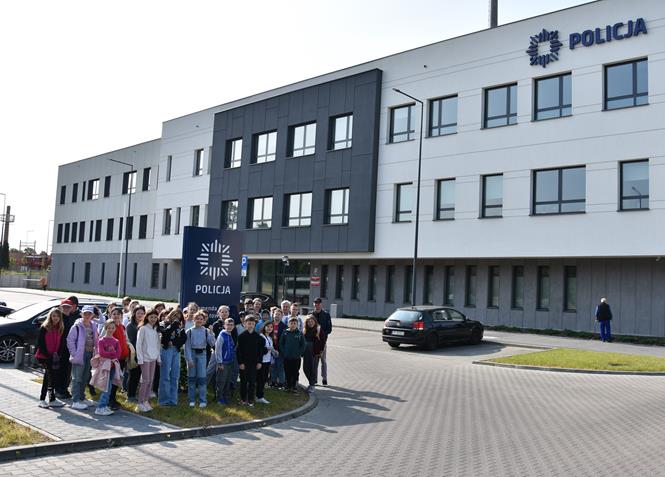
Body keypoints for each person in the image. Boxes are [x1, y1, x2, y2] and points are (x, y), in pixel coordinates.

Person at [67, 305, 98, 410]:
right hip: (79, 355)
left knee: (85, 377)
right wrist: (74, 353)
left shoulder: (93, 325)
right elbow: (70, 340)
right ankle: (75, 400)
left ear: (92, 315)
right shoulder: (76, 326)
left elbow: (96, 339)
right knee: (77, 378)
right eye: (85, 313)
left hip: (90, 354)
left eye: (89, 313)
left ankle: (81, 397)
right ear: (81, 314)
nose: (87, 315)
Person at [35, 308, 66, 408]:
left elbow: (61, 343)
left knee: (52, 377)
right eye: (54, 316)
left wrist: (58, 354)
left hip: (54, 357)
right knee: (48, 377)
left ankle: (52, 399)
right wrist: (47, 355)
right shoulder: (44, 327)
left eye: (58, 316)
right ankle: (42, 399)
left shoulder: (60, 328)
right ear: (50, 317)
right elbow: (40, 343)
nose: (56, 318)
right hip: (44, 356)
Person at [185, 310, 215, 407]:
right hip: (192, 354)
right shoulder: (189, 331)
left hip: (202, 354)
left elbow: (212, 343)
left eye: (201, 319)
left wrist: (211, 333)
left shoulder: (206, 331)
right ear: (193, 320)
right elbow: (187, 347)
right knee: (192, 378)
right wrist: (189, 359)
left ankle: (203, 400)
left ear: (204, 321)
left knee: (202, 378)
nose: (199, 320)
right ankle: (192, 399)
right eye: (197, 319)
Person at [91, 320, 122, 416]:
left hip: (113, 367)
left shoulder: (116, 341)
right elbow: (102, 353)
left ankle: (104, 405)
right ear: (105, 328)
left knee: (110, 386)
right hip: (105, 367)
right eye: (109, 328)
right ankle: (100, 407)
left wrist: (111, 354)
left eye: (113, 328)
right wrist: (112, 354)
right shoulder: (101, 340)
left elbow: (118, 354)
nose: (111, 330)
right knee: (106, 386)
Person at [158, 308, 187, 406]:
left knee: (175, 376)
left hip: (176, 351)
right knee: (165, 375)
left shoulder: (181, 326)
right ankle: (164, 401)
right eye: (174, 315)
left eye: (179, 316)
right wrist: (173, 325)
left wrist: (173, 342)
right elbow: (164, 335)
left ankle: (173, 400)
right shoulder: (163, 323)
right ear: (170, 315)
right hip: (166, 351)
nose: (176, 318)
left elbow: (183, 339)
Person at [236, 315, 265, 406]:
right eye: (249, 323)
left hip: (254, 363)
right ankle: (243, 399)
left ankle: (251, 400)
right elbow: (239, 351)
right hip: (244, 363)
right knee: (243, 382)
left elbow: (260, 351)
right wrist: (240, 362)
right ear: (245, 324)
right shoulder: (241, 336)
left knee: (252, 382)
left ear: (255, 325)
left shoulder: (258, 337)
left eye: (252, 324)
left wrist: (259, 362)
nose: (250, 325)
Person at [136, 307, 161, 412]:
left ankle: (146, 401)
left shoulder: (155, 330)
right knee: (145, 380)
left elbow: (157, 345)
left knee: (150, 380)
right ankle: (140, 402)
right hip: (145, 359)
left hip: (153, 358)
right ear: (147, 317)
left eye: (155, 317)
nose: (153, 319)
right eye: (151, 317)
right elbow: (138, 344)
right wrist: (140, 358)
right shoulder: (143, 329)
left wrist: (158, 358)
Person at [55, 297, 78, 398]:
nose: (66, 309)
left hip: (69, 349)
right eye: (64, 307)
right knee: (60, 370)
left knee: (67, 371)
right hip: (60, 349)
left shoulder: (71, 318)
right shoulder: (58, 319)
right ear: (60, 308)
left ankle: (64, 389)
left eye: (68, 307)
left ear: (71, 308)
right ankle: (58, 390)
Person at [108, 308, 129, 410]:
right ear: (111, 315)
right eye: (114, 314)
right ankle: (109, 400)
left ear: (121, 316)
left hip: (122, 357)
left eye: (118, 314)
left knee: (117, 379)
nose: (116, 316)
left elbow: (125, 340)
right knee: (112, 379)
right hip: (114, 358)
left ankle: (113, 398)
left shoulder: (122, 326)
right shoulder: (110, 326)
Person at [279, 317, 305, 393]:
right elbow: (281, 343)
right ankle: (288, 386)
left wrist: (299, 353)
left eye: (294, 323)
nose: (293, 325)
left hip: (296, 357)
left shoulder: (299, 333)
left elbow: (303, 345)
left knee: (295, 372)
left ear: (297, 325)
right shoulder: (285, 332)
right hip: (287, 357)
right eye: (291, 323)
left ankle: (294, 386)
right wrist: (284, 352)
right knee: (287, 371)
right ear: (288, 324)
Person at [214, 318, 236, 405]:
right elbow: (217, 350)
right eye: (228, 325)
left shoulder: (230, 335)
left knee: (227, 381)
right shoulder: (222, 335)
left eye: (231, 325)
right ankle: (219, 398)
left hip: (230, 362)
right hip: (223, 363)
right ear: (224, 325)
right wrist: (220, 362)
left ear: (233, 326)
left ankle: (226, 397)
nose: (229, 326)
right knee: (221, 381)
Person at [125, 305, 145, 403]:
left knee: (138, 375)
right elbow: (132, 341)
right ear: (134, 314)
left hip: (143, 354)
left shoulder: (144, 325)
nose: (140, 315)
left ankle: (134, 394)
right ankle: (130, 395)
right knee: (133, 375)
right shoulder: (130, 325)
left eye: (142, 313)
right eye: (138, 313)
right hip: (133, 353)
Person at [303, 315, 327, 392]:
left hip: (314, 352)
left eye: (312, 321)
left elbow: (323, 341)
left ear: (315, 322)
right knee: (305, 368)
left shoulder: (318, 329)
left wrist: (320, 351)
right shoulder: (305, 330)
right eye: (308, 322)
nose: (310, 323)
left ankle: (312, 385)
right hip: (306, 352)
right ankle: (311, 383)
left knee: (312, 369)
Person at [311, 297, 332, 386]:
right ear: (313, 304)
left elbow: (329, 329)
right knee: (315, 361)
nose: (317, 305)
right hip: (314, 342)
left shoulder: (326, 315)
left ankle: (324, 379)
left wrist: (322, 335)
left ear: (321, 304)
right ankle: (315, 379)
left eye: (318, 303)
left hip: (323, 341)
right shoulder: (311, 314)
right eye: (315, 303)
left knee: (323, 360)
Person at [256, 322, 276, 404]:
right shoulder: (261, 336)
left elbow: (271, 348)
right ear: (264, 327)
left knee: (264, 379)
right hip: (262, 361)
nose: (269, 328)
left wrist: (274, 351)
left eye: (271, 327)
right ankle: (259, 397)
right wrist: (267, 349)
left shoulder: (270, 337)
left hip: (268, 361)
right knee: (260, 379)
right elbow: (259, 350)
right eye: (267, 326)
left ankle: (259, 396)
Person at [269, 308, 286, 388]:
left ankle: (281, 383)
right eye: (276, 314)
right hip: (271, 350)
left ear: (282, 316)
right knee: (272, 367)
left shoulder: (284, 326)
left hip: (280, 350)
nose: (277, 316)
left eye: (279, 314)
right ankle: (273, 382)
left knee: (280, 367)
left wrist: (281, 350)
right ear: (273, 315)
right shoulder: (270, 325)